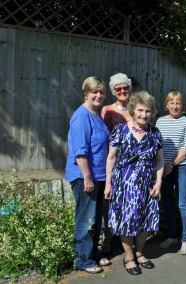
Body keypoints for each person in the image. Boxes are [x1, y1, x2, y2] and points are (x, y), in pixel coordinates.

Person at [104, 91, 164, 275]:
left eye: (147, 111)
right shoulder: (120, 130)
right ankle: (128, 256)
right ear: (132, 110)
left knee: (147, 218)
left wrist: (158, 182)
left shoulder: (154, 132)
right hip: (124, 183)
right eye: (140, 110)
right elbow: (111, 157)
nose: (144, 114)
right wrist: (108, 184)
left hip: (147, 183)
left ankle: (139, 252)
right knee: (127, 219)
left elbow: (159, 160)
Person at [65, 76, 111, 274]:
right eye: (95, 91)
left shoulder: (96, 115)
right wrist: (87, 177)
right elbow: (80, 151)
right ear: (86, 93)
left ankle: (92, 253)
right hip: (85, 176)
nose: (99, 95)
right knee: (86, 219)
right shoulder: (81, 116)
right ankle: (82, 259)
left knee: (95, 218)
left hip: (98, 176)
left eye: (101, 92)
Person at [156, 91, 186, 255]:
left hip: (182, 166)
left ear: (182, 105)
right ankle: (172, 236)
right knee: (167, 203)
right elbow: (157, 145)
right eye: (172, 103)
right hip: (163, 167)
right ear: (166, 105)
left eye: (178, 103)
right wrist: (163, 165)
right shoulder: (160, 121)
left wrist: (171, 163)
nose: (175, 106)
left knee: (182, 203)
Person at [100, 72, 132, 253]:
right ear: (113, 91)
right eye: (118, 88)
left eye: (125, 87)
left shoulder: (136, 107)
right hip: (115, 162)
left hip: (133, 164)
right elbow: (105, 137)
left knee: (129, 203)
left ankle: (127, 239)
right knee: (111, 203)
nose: (122, 91)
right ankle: (108, 242)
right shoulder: (108, 110)